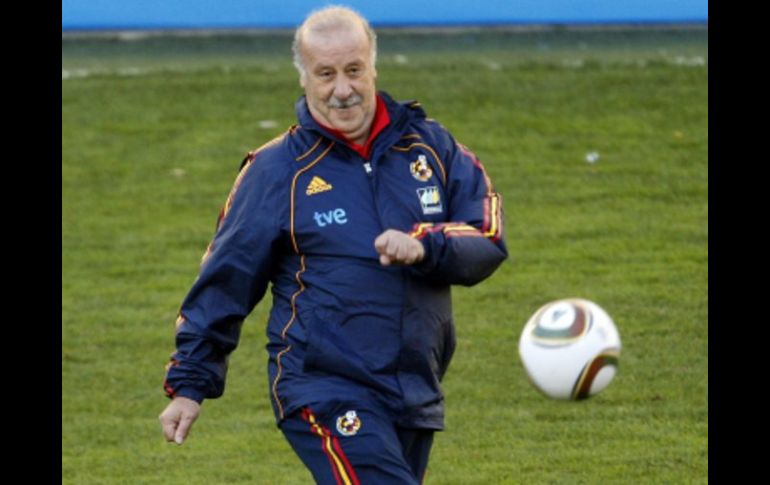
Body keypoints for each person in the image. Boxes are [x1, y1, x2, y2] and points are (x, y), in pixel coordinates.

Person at [159, 6, 507, 484]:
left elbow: (487, 237)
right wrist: (189, 384)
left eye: (353, 70)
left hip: (414, 388)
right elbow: (225, 279)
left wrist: (426, 246)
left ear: (373, 68)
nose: (343, 89)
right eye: (326, 74)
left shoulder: (433, 148)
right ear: (304, 78)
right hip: (322, 387)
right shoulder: (276, 170)